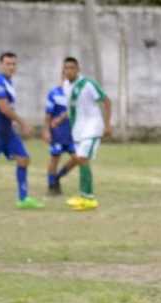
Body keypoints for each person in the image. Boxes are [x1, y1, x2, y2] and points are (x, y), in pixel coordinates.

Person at [0, 51, 44, 211]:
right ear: (1, 65)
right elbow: (4, 108)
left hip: (7, 132)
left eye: (13, 64)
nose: (11, 67)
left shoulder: (8, 82)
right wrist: (22, 122)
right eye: (8, 64)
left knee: (23, 158)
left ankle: (23, 199)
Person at [62, 57, 111, 211]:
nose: (69, 71)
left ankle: (89, 198)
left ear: (78, 69)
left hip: (92, 127)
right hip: (77, 130)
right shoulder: (65, 85)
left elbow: (107, 101)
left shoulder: (88, 84)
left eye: (72, 68)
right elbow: (70, 109)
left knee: (82, 159)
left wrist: (107, 124)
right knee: (81, 160)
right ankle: (84, 196)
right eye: (66, 68)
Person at [42, 63, 77, 196]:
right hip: (57, 133)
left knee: (77, 159)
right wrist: (46, 130)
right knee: (54, 158)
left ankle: (57, 177)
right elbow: (48, 114)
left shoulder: (75, 94)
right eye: (65, 74)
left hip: (73, 134)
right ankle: (51, 186)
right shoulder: (54, 93)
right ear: (62, 76)